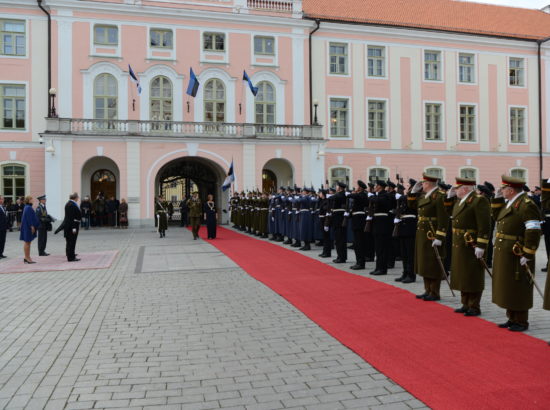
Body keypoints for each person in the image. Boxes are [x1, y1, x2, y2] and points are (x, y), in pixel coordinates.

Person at [491, 175, 541, 332]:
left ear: (511, 190)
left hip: (517, 252)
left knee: (518, 286)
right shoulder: (510, 203)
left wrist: (528, 253)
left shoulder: (526, 205)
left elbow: (533, 230)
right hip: (506, 251)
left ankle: (521, 321)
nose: (501, 190)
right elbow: (497, 217)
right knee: (509, 285)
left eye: (503, 189)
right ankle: (511, 317)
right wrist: (497, 199)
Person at [444, 177, 491, 316]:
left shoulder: (478, 200)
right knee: (462, 274)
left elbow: (484, 225)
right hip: (460, 243)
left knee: (473, 275)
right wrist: (448, 196)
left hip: (471, 243)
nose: (455, 191)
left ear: (464, 189)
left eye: (457, 188)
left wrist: (481, 245)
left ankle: (474, 306)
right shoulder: (460, 201)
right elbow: (449, 213)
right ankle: (465, 303)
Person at [408, 172, 449, 302]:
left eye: (424, 183)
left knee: (433, 263)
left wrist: (440, 236)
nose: (422, 185)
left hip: (432, 233)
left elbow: (444, 218)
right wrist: (413, 193)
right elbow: (412, 206)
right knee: (425, 262)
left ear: (429, 184)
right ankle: (427, 290)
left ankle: (435, 292)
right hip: (423, 233)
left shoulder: (439, 196)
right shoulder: (425, 196)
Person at [20, 196, 40, 264]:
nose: (33, 200)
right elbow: (29, 218)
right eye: (31, 199)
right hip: (28, 227)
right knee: (27, 242)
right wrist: (32, 226)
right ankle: (27, 258)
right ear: (28, 200)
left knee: (28, 242)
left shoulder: (27, 207)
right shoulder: (28, 207)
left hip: (27, 227)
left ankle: (27, 257)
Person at [63, 192, 82, 262]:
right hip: (72, 226)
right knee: (71, 242)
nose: (78, 198)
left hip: (72, 225)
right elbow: (71, 218)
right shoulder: (71, 205)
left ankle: (71, 254)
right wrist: (74, 228)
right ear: (75, 198)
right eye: (77, 197)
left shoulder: (71, 203)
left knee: (71, 242)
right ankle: (71, 257)